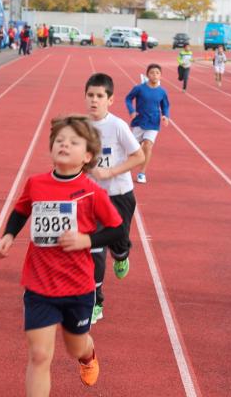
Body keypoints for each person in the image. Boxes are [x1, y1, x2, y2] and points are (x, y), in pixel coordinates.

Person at [0, 115, 124, 394]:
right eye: (60, 140)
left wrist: (87, 239)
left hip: (77, 286)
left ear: (87, 155)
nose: (64, 145)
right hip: (39, 284)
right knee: (39, 355)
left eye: (73, 142)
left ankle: (88, 356)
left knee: (75, 345)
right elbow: (22, 209)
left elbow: (117, 230)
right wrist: (8, 235)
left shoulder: (92, 192)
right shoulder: (36, 183)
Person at [85, 73, 145, 324]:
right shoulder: (81, 126)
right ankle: (96, 301)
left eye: (100, 96)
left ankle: (121, 254)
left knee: (119, 242)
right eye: (90, 95)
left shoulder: (118, 126)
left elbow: (139, 157)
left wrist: (109, 172)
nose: (94, 101)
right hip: (92, 198)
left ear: (110, 100)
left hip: (120, 195)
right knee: (94, 249)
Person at [125, 63, 170, 184]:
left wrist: (165, 116)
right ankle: (125, 170)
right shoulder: (139, 88)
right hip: (139, 121)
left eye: (157, 73)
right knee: (133, 148)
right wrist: (132, 111)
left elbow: (165, 105)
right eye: (152, 73)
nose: (155, 75)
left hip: (153, 123)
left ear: (161, 76)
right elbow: (128, 98)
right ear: (147, 75)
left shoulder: (162, 92)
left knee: (148, 145)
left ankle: (142, 173)